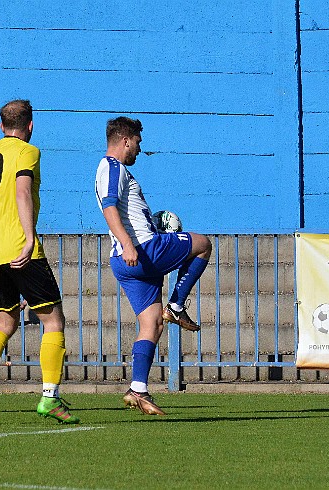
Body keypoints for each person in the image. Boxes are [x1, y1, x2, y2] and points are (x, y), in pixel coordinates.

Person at [0, 99, 78, 425]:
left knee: (5, 323)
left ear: (0, 126)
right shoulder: (27, 152)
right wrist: (29, 237)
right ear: (30, 126)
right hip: (19, 251)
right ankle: (50, 396)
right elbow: (23, 192)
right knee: (53, 321)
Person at [95, 116, 212, 415]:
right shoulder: (111, 166)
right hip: (142, 250)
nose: (138, 149)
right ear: (125, 140)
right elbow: (109, 207)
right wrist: (129, 243)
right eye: (137, 143)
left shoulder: (116, 170)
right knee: (202, 244)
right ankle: (177, 304)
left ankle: (138, 389)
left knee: (152, 324)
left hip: (127, 262)